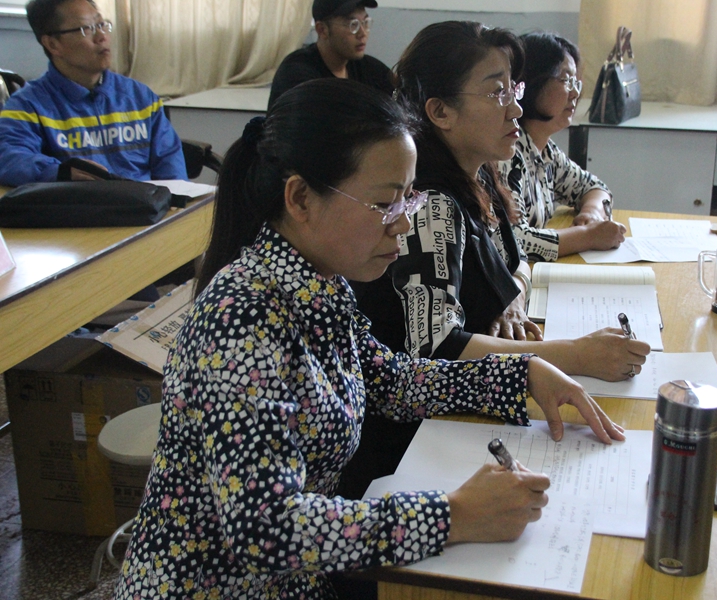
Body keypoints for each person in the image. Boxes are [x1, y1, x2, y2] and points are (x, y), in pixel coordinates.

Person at [114, 79, 626, 600]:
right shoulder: (241, 320)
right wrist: (452, 515)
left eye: (409, 197)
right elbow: (264, 529)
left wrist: (520, 375)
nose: (403, 224)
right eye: (384, 202)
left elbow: (391, 380)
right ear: (300, 198)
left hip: (303, 579)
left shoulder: (320, 282)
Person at [347, 21, 649, 498]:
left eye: (514, 88)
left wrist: (512, 298)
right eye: (496, 92)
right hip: (416, 443)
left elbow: (517, 257)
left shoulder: (478, 175)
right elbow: (436, 350)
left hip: (461, 408)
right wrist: (575, 354)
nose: (515, 107)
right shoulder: (430, 203)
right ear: (440, 111)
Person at [0, 0, 186, 187]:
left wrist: (177, 196)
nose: (101, 36)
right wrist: (58, 171)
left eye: (101, 24)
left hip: (147, 202)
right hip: (78, 203)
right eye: (86, 29)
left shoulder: (140, 97)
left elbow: (171, 166)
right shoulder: (28, 105)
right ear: (53, 44)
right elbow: (9, 158)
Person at [498, 31, 626, 262]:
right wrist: (588, 236)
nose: (575, 92)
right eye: (566, 80)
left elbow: (594, 187)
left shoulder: (545, 151)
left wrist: (591, 213)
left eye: (576, 81)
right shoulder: (506, 153)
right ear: (533, 82)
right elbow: (512, 241)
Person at [267, 0, 392, 110]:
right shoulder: (296, 73)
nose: (362, 33)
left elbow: (397, 90)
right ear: (322, 30)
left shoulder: (368, 68)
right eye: (353, 24)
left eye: (365, 22)